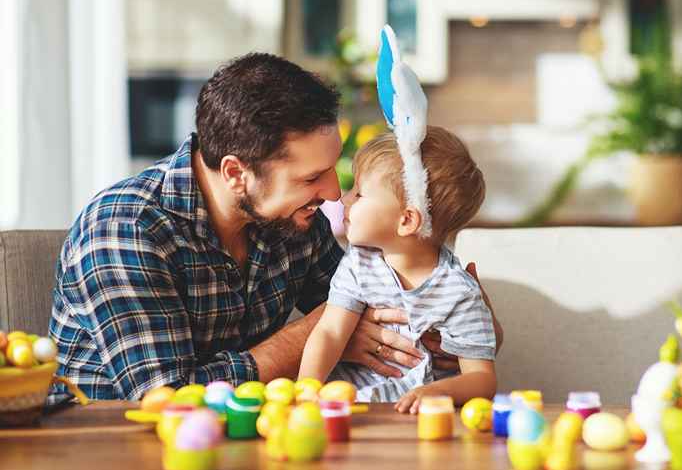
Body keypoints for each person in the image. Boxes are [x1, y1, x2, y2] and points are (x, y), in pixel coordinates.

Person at [48, 53, 497, 402]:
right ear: (235, 173)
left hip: (255, 438)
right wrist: (315, 335)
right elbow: (166, 399)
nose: (331, 193)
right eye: (309, 178)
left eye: (330, 170)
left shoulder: (291, 218)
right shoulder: (126, 230)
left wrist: (444, 329)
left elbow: (373, 317)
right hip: (112, 446)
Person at [298, 127, 497, 413]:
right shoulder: (359, 263)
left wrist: (437, 391)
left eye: (359, 193)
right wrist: (306, 390)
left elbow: (482, 380)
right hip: (353, 407)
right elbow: (330, 332)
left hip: (413, 416)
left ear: (406, 220)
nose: (344, 199)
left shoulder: (458, 292)